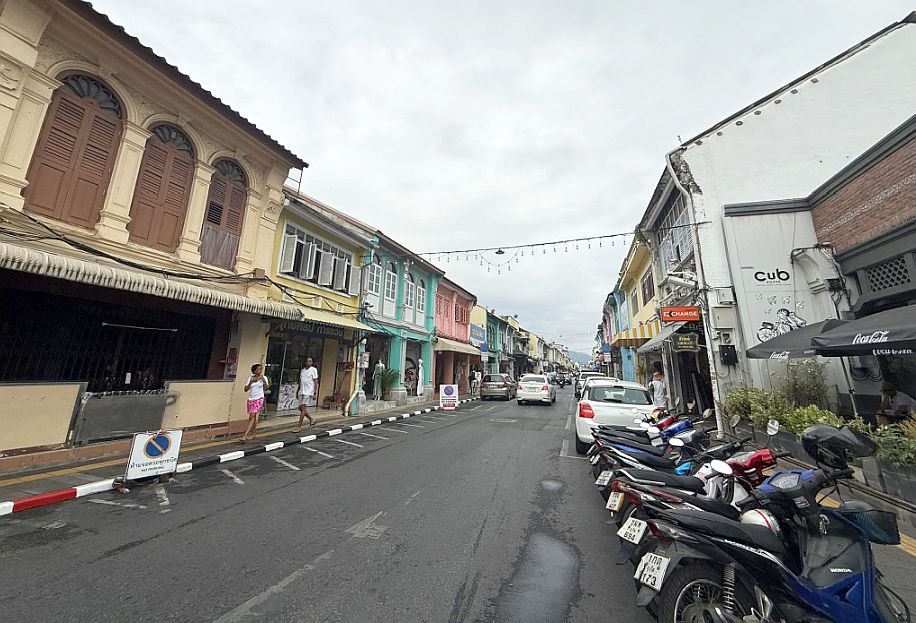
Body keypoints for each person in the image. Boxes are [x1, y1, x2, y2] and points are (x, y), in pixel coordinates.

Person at [241, 363, 269, 442]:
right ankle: (253, 433)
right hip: (251, 399)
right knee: (253, 416)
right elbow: (245, 389)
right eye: (258, 369)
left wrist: (263, 381)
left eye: (261, 369)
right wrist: (251, 382)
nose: (260, 370)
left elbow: (266, 388)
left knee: (252, 415)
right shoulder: (250, 378)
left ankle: (245, 435)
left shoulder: (264, 378)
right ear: (254, 370)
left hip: (259, 398)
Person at [296, 356, 319, 432]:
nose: (308, 362)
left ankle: (299, 426)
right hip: (302, 391)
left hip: (308, 391)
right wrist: (297, 391)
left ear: (312, 362)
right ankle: (311, 419)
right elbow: (300, 381)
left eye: (310, 361)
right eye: (307, 361)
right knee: (300, 408)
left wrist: (315, 393)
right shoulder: (303, 371)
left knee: (303, 408)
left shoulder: (313, 370)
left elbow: (315, 382)